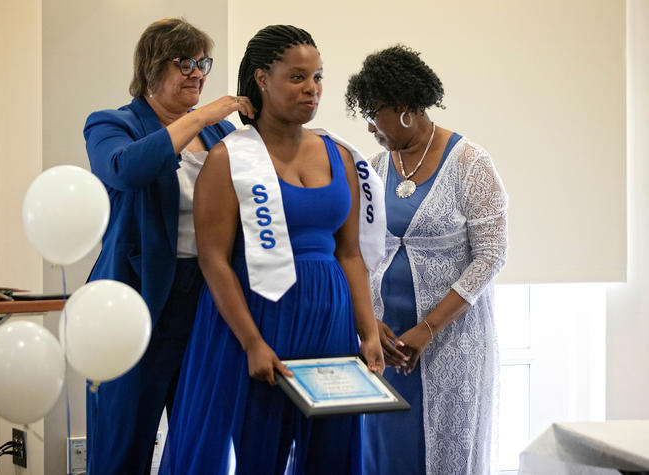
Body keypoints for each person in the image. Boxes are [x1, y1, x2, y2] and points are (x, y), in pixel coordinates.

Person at [158, 25, 385, 474]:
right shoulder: (229, 157)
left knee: (332, 452)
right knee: (260, 451)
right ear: (262, 79)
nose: (312, 90)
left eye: (318, 77)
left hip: (329, 322)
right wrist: (252, 342)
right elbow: (213, 259)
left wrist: (368, 330)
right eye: (297, 78)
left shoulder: (339, 155)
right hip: (260, 319)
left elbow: (350, 254)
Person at [82, 18, 254, 474]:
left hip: (207, 300)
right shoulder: (111, 124)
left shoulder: (221, 139)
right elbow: (125, 170)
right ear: (152, 66)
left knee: (200, 444)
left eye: (204, 63)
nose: (198, 73)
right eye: (186, 63)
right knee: (123, 445)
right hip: (135, 302)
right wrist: (199, 116)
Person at [345, 45, 508, 475]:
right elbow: (357, 252)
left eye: (374, 112)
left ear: (403, 109)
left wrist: (428, 328)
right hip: (386, 342)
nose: (369, 125)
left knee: (441, 454)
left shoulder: (470, 163)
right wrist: (368, 322)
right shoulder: (376, 167)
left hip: (449, 342)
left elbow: (491, 256)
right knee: (384, 455)